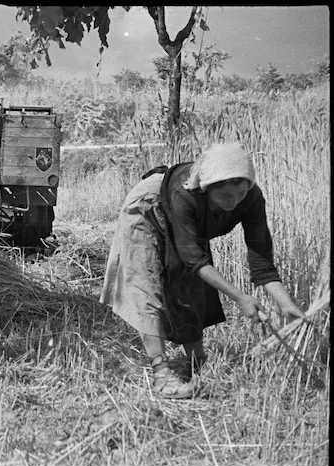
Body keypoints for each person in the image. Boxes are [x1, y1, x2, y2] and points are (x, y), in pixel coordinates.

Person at [100, 142, 305, 399]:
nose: (234, 202)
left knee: (191, 286)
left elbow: (261, 262)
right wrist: (240, 298)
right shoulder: (186, 194)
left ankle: (197, 362)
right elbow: (194, 259)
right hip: (150, 207)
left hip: (185, 218)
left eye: (240, 194)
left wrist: (286, 304)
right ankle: (162, 373)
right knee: (145, 280)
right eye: (226, 196)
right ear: (206, 189)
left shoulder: (250, 197)